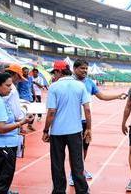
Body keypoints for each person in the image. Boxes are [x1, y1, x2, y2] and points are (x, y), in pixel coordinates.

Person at [68, 59, 127, 186]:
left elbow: (102, 96)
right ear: (74, 68)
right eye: (82, 68)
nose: (85, 71)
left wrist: (117, 96)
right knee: (75, 149)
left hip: (85, 121)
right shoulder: (69, 82)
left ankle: (80, 169)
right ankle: (73, 174)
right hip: (72, 121)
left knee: (85, 146)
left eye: (86, 68)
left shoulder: (89, 82)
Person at [42, 61, 91, 194]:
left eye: (54, 73)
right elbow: (87, 109)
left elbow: (51, 111)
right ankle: (82, 190)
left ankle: (59, 191)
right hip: (75, 131)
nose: (54, 76)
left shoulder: (54, 87)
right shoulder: (80, 86)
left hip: (57, 132)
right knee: (77, 163)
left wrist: (46, 130)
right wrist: (89, 128)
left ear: (59, 72)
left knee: (57, 164)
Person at [0, 73, 33, 194]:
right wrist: (22, 122)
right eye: (7, 85)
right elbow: (1, 128)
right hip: (3, 146)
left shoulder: (1, 100)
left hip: (4, 146)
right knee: (3, 180)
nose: (11, 88)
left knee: (2, 179)